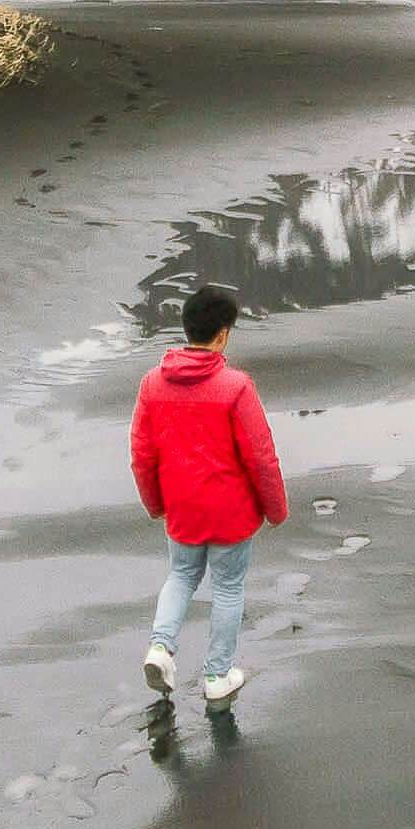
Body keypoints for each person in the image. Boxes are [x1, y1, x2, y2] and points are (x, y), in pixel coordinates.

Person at [129, 281, 289, 707]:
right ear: (222, 334)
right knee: (228, 588)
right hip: (230, 512)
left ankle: (160, 648)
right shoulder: (235, 386)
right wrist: (276, 509)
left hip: (182, 507)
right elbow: (260, 455)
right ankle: (218, 674)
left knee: (181, 576)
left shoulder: (152, 384)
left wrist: (154, 502)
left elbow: (142, 453)